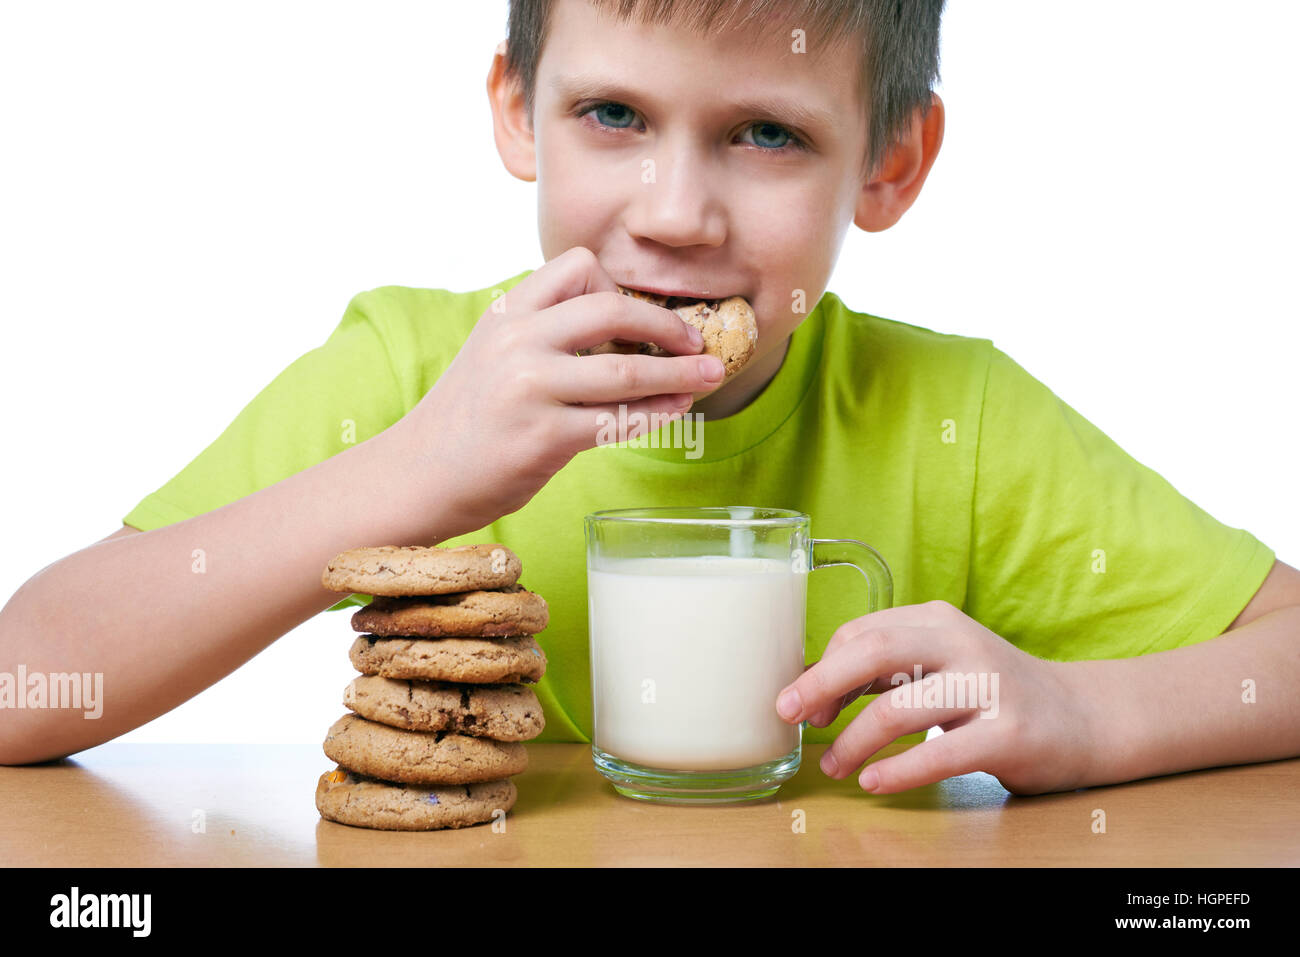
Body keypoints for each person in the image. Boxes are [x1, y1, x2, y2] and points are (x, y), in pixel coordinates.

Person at [3, 0, 1298, 795]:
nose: (675, 216)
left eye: (768, 134)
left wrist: (1083, 713)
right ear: (517, 109)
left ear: (890, 164)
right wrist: (415, 466)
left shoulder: (955, 424)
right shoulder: (411, 372)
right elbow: (24, 684)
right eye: (612, 113)